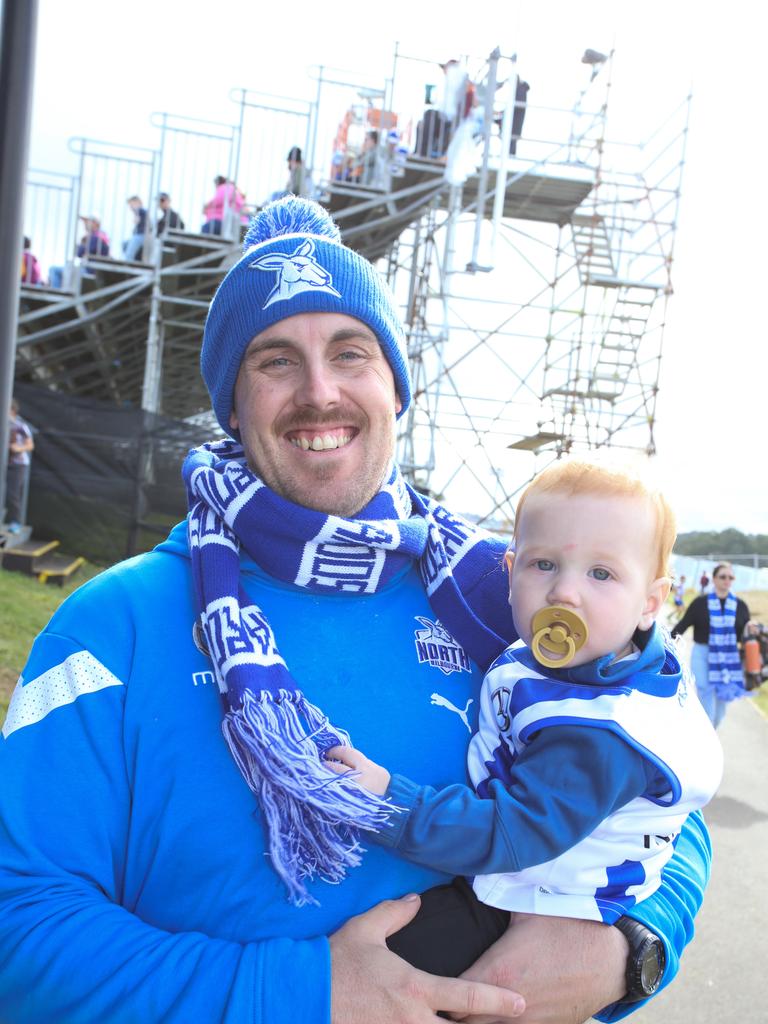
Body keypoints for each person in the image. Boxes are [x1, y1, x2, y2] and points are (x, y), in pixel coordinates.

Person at [0, 196, 712, 1024]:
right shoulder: (112, 624)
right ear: (231, 406)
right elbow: (19, 932)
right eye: (274, 360)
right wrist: (303, 993)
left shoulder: (506, 594)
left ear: (396, 389)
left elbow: (652, 784)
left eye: (351, 352)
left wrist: (632, 947)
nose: (319, 392)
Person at [326, 459, 722, 979]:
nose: (565, 593)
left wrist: (387, 802)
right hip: (516, 873)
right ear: (510, 573)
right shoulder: (584, 659)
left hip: (534, 900)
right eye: (544, 565)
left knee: (388, 972)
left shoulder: (600, 733)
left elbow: (512, 833)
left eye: (601, 574)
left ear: (650, 603)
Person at [671, 562, 752, 728]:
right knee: (706, 696)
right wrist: (665, 644)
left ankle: (708, 733)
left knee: (721, 708)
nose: (727, 580)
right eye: (723, 576)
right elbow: (682, 626)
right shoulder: (700, 603)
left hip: (729, 658)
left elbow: (746, 635)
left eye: (731, 577)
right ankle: (705, 741)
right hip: (702, 654)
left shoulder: (740, 606)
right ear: (714, 579)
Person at [48, 215, 110, 289]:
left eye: (87, 221)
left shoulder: (96, 237)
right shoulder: (99, 236)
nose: (85, 224)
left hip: (89, 271)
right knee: (62, 269)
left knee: (55, 270)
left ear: (95, 223)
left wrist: (83, 242)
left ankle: (58, 296)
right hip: (90, 270)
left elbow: (79, 253)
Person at [5, 397, 35, 532]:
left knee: (13, 494)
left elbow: (30, 445)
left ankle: (15, 522)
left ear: (13, 411)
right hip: (3, 463)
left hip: (17, 465)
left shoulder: (20, 426)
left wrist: (18, 448)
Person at [122, 196, 148, 262]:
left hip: (141, 235)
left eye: (131, 204)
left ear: (137, 202)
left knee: (129, 254)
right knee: (125, 244)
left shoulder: (140, 210)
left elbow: (137, 220)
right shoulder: (142, 211)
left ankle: (128, 264)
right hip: (141, 235)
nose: (130, 207)